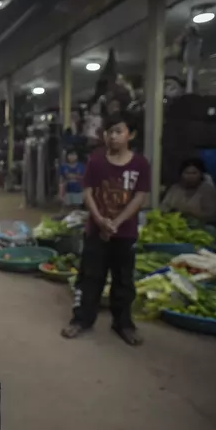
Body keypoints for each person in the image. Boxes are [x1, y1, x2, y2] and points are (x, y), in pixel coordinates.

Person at [61, 112, 150, 346]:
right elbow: (88, 192)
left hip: (126, 232)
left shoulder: (140, 164)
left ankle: (123, 324)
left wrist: (117, 222)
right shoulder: (96, 161)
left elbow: (140, 197)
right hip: (96, 230)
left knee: (123, 280)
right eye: (109, 132)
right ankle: (81, 320)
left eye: (119, 131)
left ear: (130, 135)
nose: (113, 136)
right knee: (90, 277)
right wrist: (100, 220)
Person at [160, 158, 216, 224]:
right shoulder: (175, 188)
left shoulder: (208, 190)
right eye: (187, 173)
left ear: (201, 174)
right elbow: (164, 208)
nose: (190, 176)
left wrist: (191, 214)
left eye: (194, 173)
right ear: (181, 174)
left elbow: (213, 215)